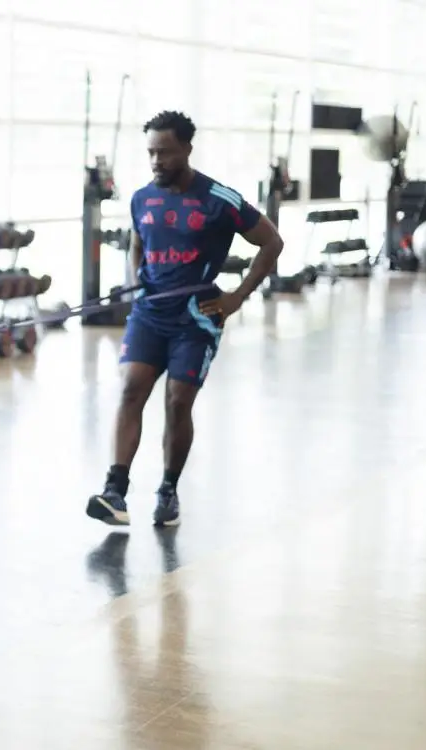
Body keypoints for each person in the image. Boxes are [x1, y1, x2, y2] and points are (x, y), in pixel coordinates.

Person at [86, 111, 284, 528]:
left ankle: (168, 488)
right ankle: (115, 491)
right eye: (151, 153)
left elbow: (272, 242)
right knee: (131, 389)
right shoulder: (142, 198)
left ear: (187, 150)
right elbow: (137, 244)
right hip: (150, 312)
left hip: (197, 317)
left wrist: (238, 297)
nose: (157, 161)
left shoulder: (219, 199)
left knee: (178, 402)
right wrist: (136, 281)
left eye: (165, 152)